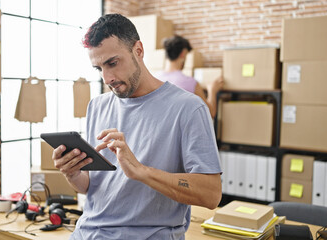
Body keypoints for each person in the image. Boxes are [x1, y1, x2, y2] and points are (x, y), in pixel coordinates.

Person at [53, 13, 222, 240]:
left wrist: (141, 171)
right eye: (99, 68)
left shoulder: (189, 108)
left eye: (112, 63)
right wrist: (73, 174)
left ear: (138, 51)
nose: (107, 78)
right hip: (86, 233)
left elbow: (211, 195)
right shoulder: (97, 106)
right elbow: (94, 187)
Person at [157, 35, 224, 118]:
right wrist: (212, 91)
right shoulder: (190, 83)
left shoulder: (155, 78)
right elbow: (210, 113)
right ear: (183, 54)